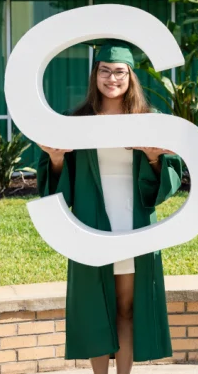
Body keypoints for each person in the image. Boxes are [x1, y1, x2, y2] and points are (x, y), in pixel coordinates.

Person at [36, 39, 183, 374]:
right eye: (105, 71)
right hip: (91, 222)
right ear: (95, 75)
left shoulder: (150, 119)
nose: (112, 78)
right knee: (94, 308)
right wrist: (57, 161)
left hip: (134, 224)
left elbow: (168, 182)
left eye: (120, 72)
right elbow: (59, 190)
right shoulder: (76, 121)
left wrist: (153, 157)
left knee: (126, 308)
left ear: (131, 77)